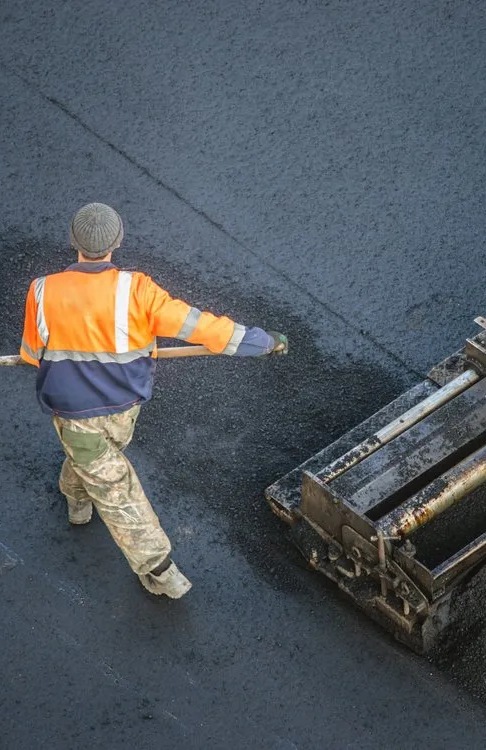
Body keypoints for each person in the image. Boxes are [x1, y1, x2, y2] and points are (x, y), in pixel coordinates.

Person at [20, 202, 288, 599]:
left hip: (74, 415)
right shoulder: (138, 290)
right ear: (118, 242)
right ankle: (159, 570)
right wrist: (261, 342)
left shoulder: (42, 291)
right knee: (117, 489)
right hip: (124, 408)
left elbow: (30, 353)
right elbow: (203, 327)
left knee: (94, 462)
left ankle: (76, 501)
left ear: (74, 242)